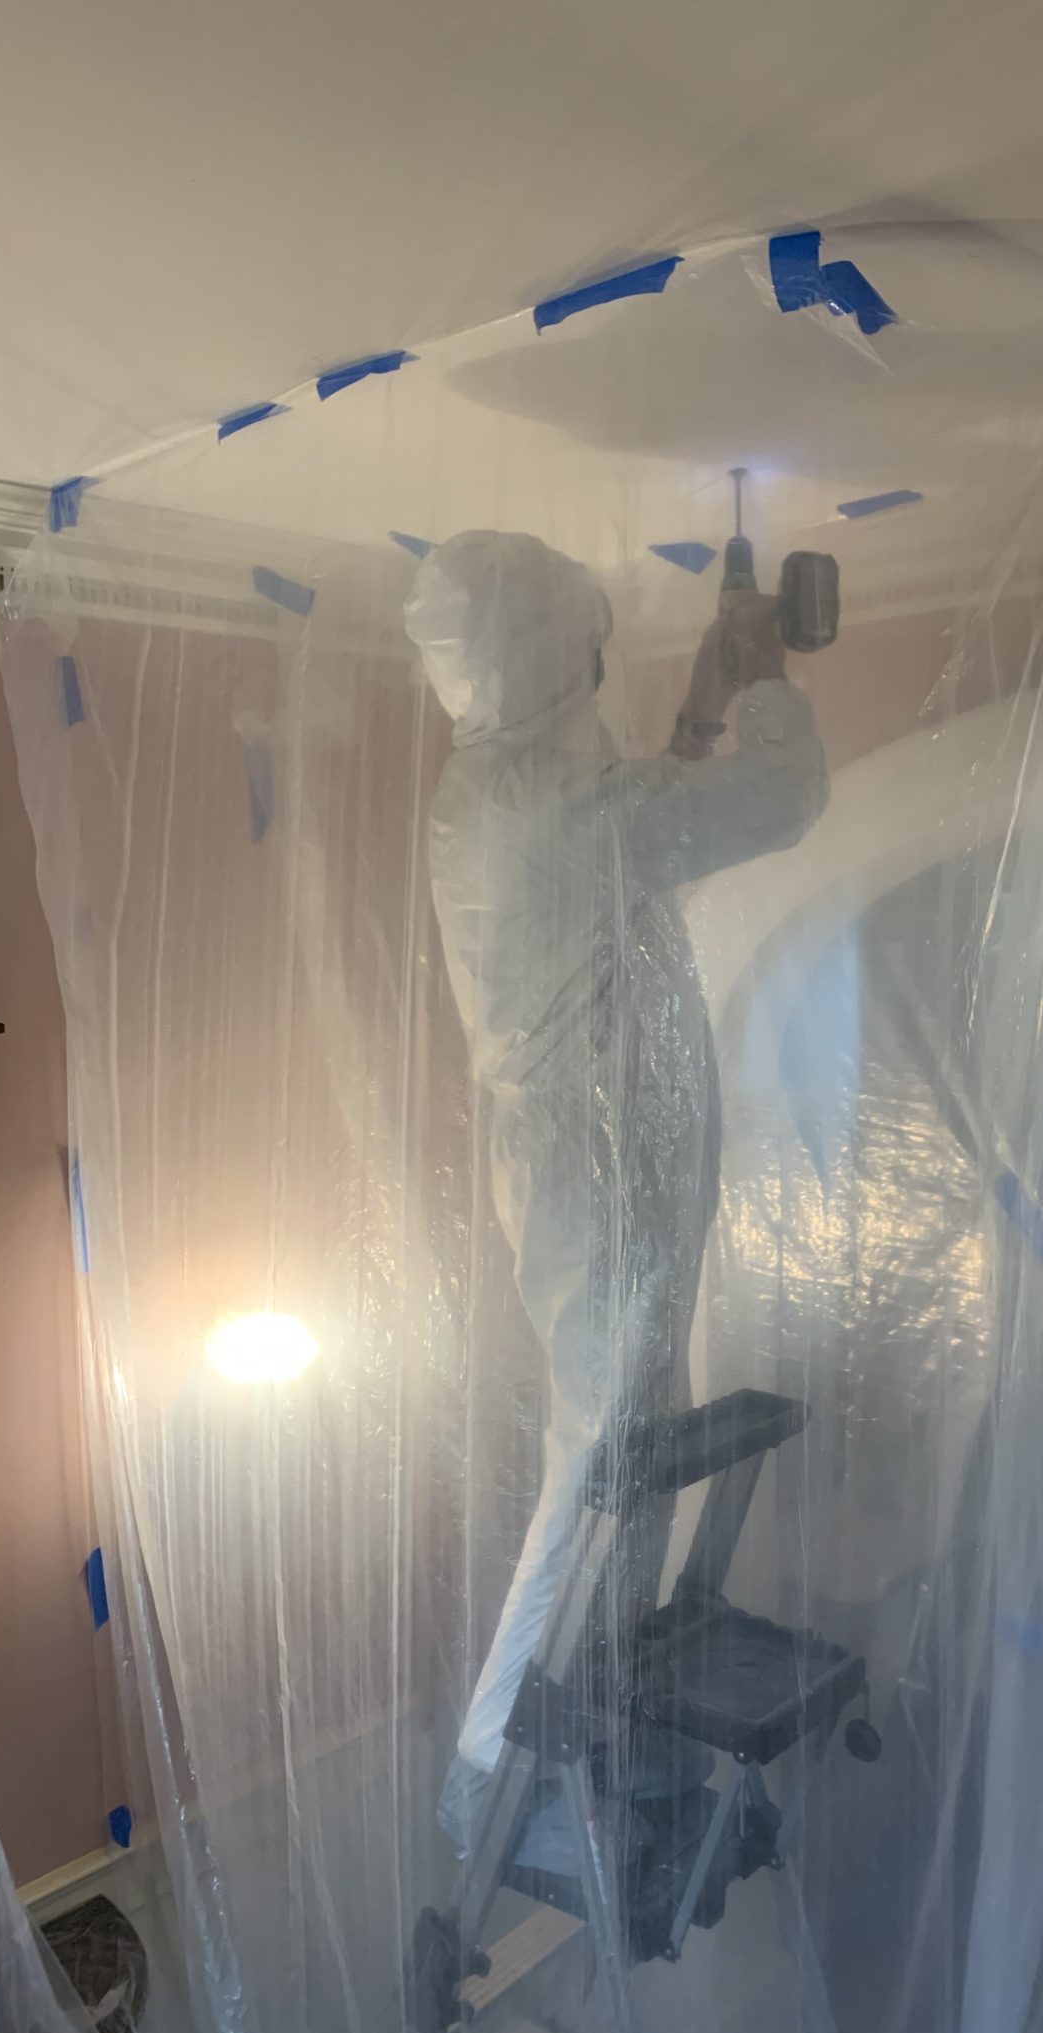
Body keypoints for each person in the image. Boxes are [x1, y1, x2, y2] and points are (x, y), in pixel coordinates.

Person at [405, 530, 831, 1850]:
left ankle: (622, 1715)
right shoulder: (541, 800)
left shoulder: (511, 783)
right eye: (582, 642)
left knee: (633, 1441)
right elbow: (774, 803)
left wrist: (705, 699)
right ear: (542, 649)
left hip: (610, 1169)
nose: (598, 663)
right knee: (597, 1449)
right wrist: (760, 682)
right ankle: (485, 1772)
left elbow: (653, 823)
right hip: (597, 1180)